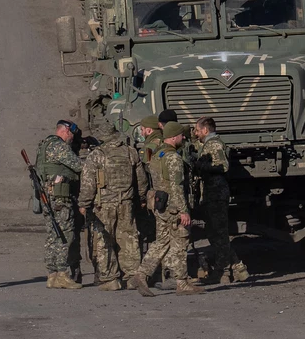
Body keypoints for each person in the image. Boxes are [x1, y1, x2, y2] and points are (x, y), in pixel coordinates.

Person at [133, 122, 204, 296]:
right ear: (173, 137)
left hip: (161, 205)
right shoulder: (173, 158)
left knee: (162, 242)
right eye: (181, 135)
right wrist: (183, 210)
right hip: (173, 207)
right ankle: (182, 282)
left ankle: (141, 274)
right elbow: (176, 186)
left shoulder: (158, 154)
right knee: (180, 241)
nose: (184, 137)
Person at [78, 134, 149, 290]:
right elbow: (141, 179)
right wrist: (141, 198)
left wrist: (84, 203)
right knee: (128, 238)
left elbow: (88, 183)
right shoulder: (130, 152)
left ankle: (110, 279)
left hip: (103, 205)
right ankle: (131, 276)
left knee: (104, 240)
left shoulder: (97, 155)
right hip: (126, 202)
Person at [194, 117, 249, 284]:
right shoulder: (207, 145)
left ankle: (221, 272)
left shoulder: (215, 145)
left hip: (216, 194)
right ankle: (239, 268)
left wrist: (201, 166)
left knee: (219, 234)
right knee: (215, 233)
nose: (196, 133)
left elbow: (223, 166)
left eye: (197, 130)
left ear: (205, 130)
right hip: (211, 194)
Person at [36, 120, 84, 290]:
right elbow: (79, 166)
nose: (71, 138)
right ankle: (62, 274)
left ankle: (52, 275)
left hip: (47, 197)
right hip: (60, 197)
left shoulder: (44, 145)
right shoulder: (60, 147)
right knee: (65, 234)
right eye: (71, 134)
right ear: (65, 131)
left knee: (51, 235)